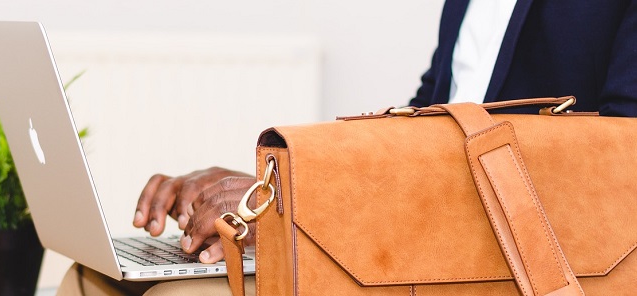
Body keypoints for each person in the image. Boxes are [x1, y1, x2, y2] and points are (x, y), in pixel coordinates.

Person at [61, 1, 637, 294]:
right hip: (413, 237)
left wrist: (302, 201)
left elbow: (615, 164)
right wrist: (274, 190)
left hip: (508, 267)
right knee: (91, 280)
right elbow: (424, 128)